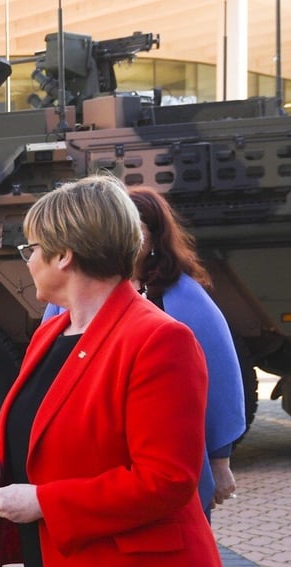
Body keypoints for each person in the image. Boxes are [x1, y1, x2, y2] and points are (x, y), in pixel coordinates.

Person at [0, 175, 225, 567]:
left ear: (64, 255)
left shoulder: (158, 340)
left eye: (31, 249)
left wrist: (45, 502)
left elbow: (166, 480)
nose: (27, 260)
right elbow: (40, 427)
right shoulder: (52, 333)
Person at [42, 187, 246, 519]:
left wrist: (219, 460)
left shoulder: (184, 299)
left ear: (155, 237)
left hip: (158, 464)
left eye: (138, 226)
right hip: (90, 464)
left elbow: (220, 380)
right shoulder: (68, 298)